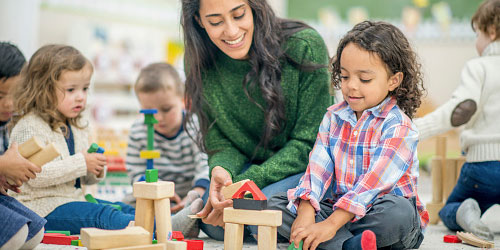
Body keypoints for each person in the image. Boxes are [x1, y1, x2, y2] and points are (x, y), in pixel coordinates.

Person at [268, 21, 429, 250]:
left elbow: (371, 185)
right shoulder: (334, 117)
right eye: (344, 77)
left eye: (364, 79)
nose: (351, 86)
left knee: (399, 213)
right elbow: (316, 170)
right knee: (277, 204)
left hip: (381, 215)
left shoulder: (399, 127)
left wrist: (330, 225)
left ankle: (332, 242)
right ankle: (351, 244)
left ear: (394, 80)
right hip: (338, 212)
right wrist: (306, 210)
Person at [8, 44, 198, 237]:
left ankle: (167, 221)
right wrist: (82, 162)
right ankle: (164, 229)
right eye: (71, 90)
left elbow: (79, 178)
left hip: (71, 200)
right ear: (44, 90)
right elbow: (35, 176)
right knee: (103, 216)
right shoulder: (30, 125)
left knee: (120, 208)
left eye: (85, 89)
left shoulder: (77, 124)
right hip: (39, 209)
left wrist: (95, 169)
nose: (81, 97)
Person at [181, 0, 332, 241]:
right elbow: (220, 139)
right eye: (216, 22)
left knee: (258, 212)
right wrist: (222, 170)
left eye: (239, 15)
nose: (231, 31)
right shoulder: (198, 62)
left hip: (305, 171)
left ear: (254, 9)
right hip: (249, 171)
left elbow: (309, 143)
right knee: (215, 220)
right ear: (199, 21)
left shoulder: (304, 46)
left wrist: (245, 184)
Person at [413, 0, 500, 241]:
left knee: (449, 209)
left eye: (478, 34)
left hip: (483, 167)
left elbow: (461, 109)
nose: (476, 42)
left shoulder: (478, 67)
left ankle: (464, 210)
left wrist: (415, 128)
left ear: (491, 32)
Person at [126, 62, 207, 236]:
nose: (157, 118)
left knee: (202, 201)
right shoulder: (138, 130)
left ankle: (182, 219)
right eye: (148, 112)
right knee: (125, 204)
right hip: (152, 195)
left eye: (166, 109)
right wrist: (155, 192)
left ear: (184, 100)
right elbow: (135, 172)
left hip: (188, 193)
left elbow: (204, 165)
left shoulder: (194, 126)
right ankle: (172, 223)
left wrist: (196, 191)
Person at [0, 41, 46, 250]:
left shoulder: (4, 124)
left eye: (15, 94)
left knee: (35, 232)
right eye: (1, 96)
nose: (9, 103)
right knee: (15, 235)